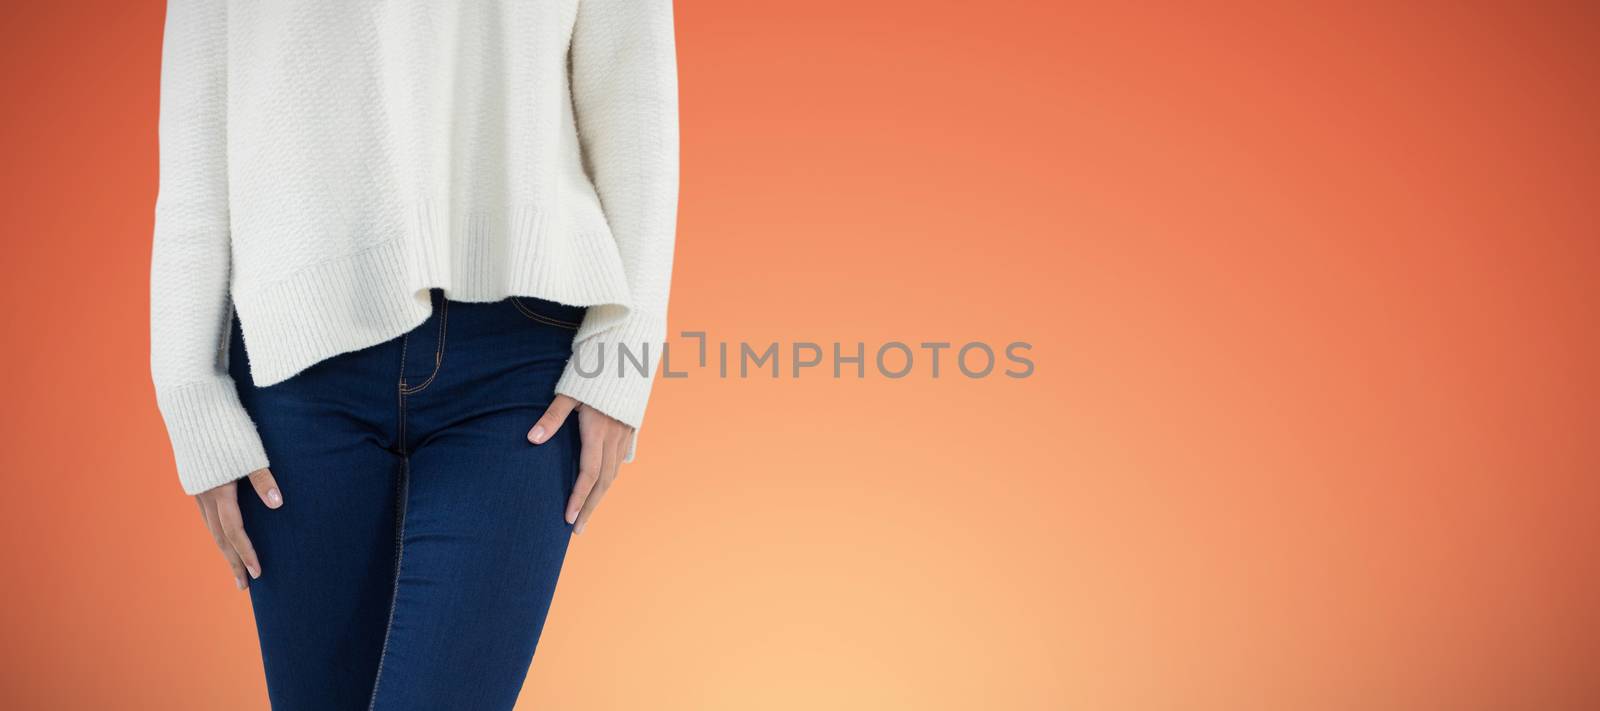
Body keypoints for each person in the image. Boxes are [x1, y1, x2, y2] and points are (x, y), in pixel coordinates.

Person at [148, 1, 678, 708]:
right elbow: (196, 138)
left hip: (518, 361)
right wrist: (191, 396)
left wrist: (623, 361)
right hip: (299, 366)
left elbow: (634, 94)